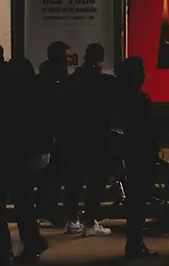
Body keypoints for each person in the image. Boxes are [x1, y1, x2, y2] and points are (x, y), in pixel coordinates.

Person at [1, 58, 52, 265]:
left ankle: (7, 251)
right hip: (28, 155)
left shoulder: (8, 94)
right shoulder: (34, 92)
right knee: (23, 201)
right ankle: (32, 243)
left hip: (11, 153)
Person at [63, 43, 117, 237]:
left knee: (74, 179)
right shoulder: (105, 82)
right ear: (100, 60)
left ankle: (71, 220)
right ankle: (90, 222)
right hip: (97, 139)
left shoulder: (73, 80)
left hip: (75, 139)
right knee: (96, 181)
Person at [115, 57, 159, 259]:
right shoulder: (140, 101)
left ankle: (134, 242)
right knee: (138, 203)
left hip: (131, 156)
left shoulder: (122, 100)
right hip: (140, 158)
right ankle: (135, 243)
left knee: (136, 203)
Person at [36, 41, 71, 229]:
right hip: (54, 135)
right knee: (53, 176)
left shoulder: (48, 76)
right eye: (66, 56)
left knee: (52, 176)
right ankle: (47, 212)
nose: (68, 60)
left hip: (54, 134)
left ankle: (46, 211)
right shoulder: (53, 79)